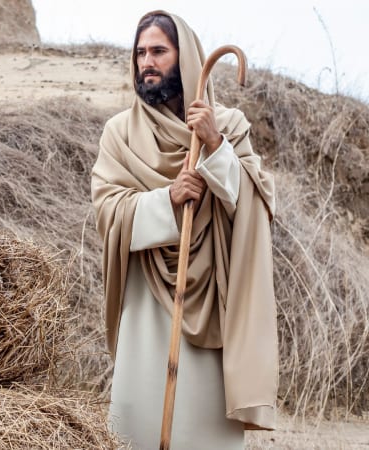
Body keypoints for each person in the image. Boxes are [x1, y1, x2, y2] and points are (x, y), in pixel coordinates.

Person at [90, 11, 278, 449]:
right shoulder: (119, 134)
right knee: (137, 429)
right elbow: (107, 212)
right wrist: (167, 200)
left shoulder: (228, 125)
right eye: (140, 53)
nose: (147, 63)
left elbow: (254, 206)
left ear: (186, 58)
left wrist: (215, 147)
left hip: (211, 303)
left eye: (159, 51)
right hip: (145, 311)